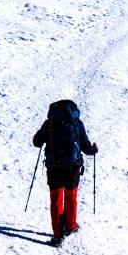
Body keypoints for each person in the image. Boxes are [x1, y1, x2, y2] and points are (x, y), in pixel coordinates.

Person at [32, 100, 98, 245]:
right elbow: (86, 148)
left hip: (54, 167)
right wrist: (94, 149)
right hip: (72, 169)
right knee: (71, 196)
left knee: (56, 200)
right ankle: (70, 226)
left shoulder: (49, 123)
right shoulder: (77, 123)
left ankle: (57, 236)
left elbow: (36, 142)